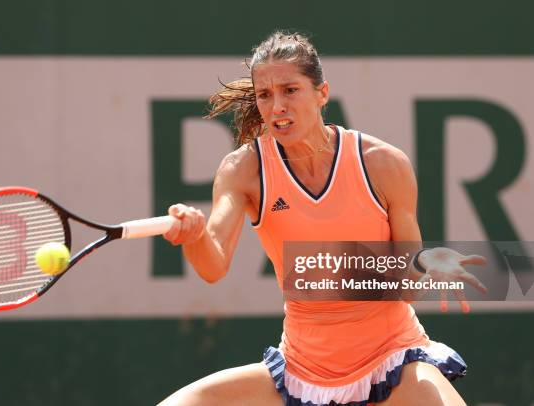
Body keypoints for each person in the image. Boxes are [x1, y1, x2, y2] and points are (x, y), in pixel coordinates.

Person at [158, 31, 487, 406]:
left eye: (290, 90)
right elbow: (213, 264)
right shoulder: (243, 169)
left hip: (394, 362)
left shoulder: (383, 163)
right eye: (265, 95)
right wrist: (195, 236)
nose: (277, 106)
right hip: (301, 371)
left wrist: (424, 263)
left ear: (322, 93)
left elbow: (410, 287)